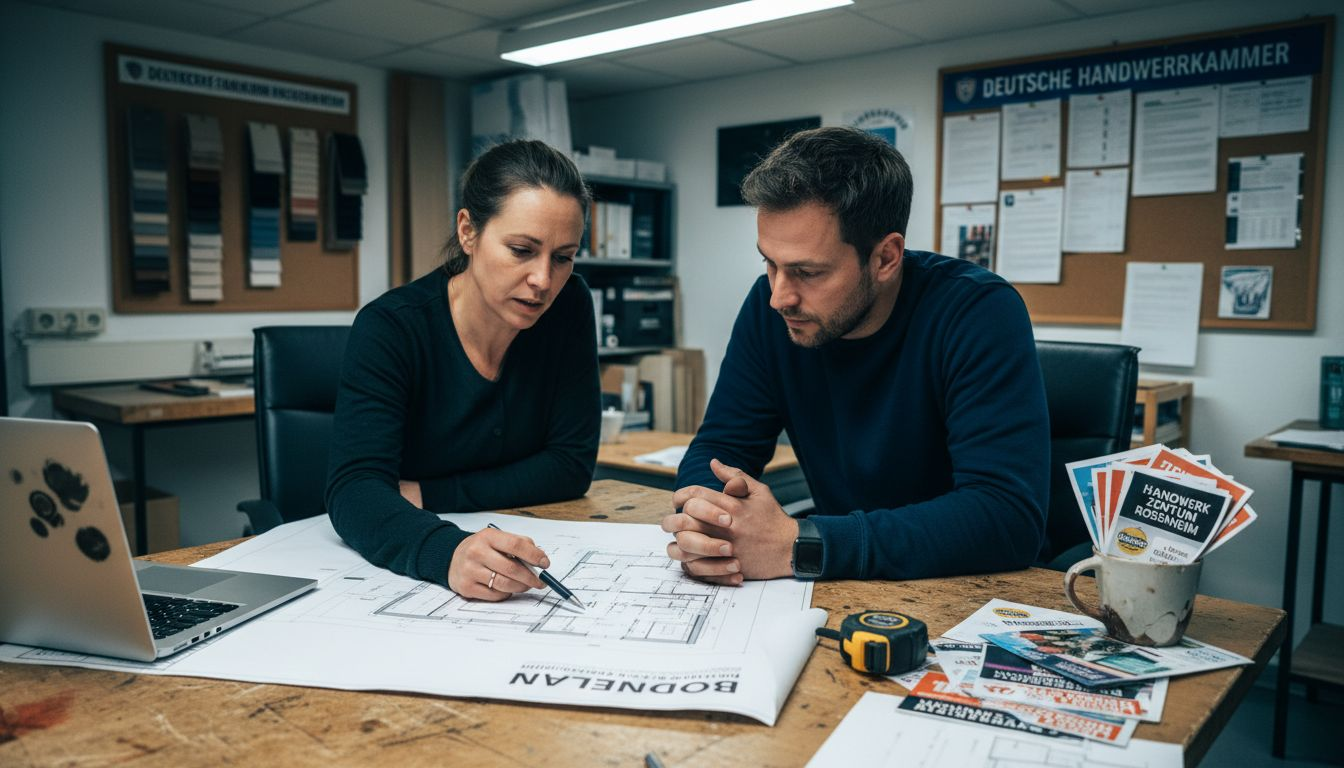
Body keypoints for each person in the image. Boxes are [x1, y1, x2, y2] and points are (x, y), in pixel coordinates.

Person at [662, 126, 1049, 584]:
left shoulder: (977, 312)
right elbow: (720, 448)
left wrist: (800, 544)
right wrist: (711, 524)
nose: (779, 296)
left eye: (807, 271)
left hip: (967, 585)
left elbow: (1005, 517)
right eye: (769, 263)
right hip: (843, 580)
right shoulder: (771, 311)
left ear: (885, 258)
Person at [327, 140, 599, 601]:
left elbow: (569, 466)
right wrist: (446, 551)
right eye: (521, 250)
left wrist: (428, 492)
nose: (543, 280)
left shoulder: (569, 305)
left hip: (524, 544)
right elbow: (355, 490)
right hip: (403, 577)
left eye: (563, 257)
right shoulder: (391, 327)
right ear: (468, 231)